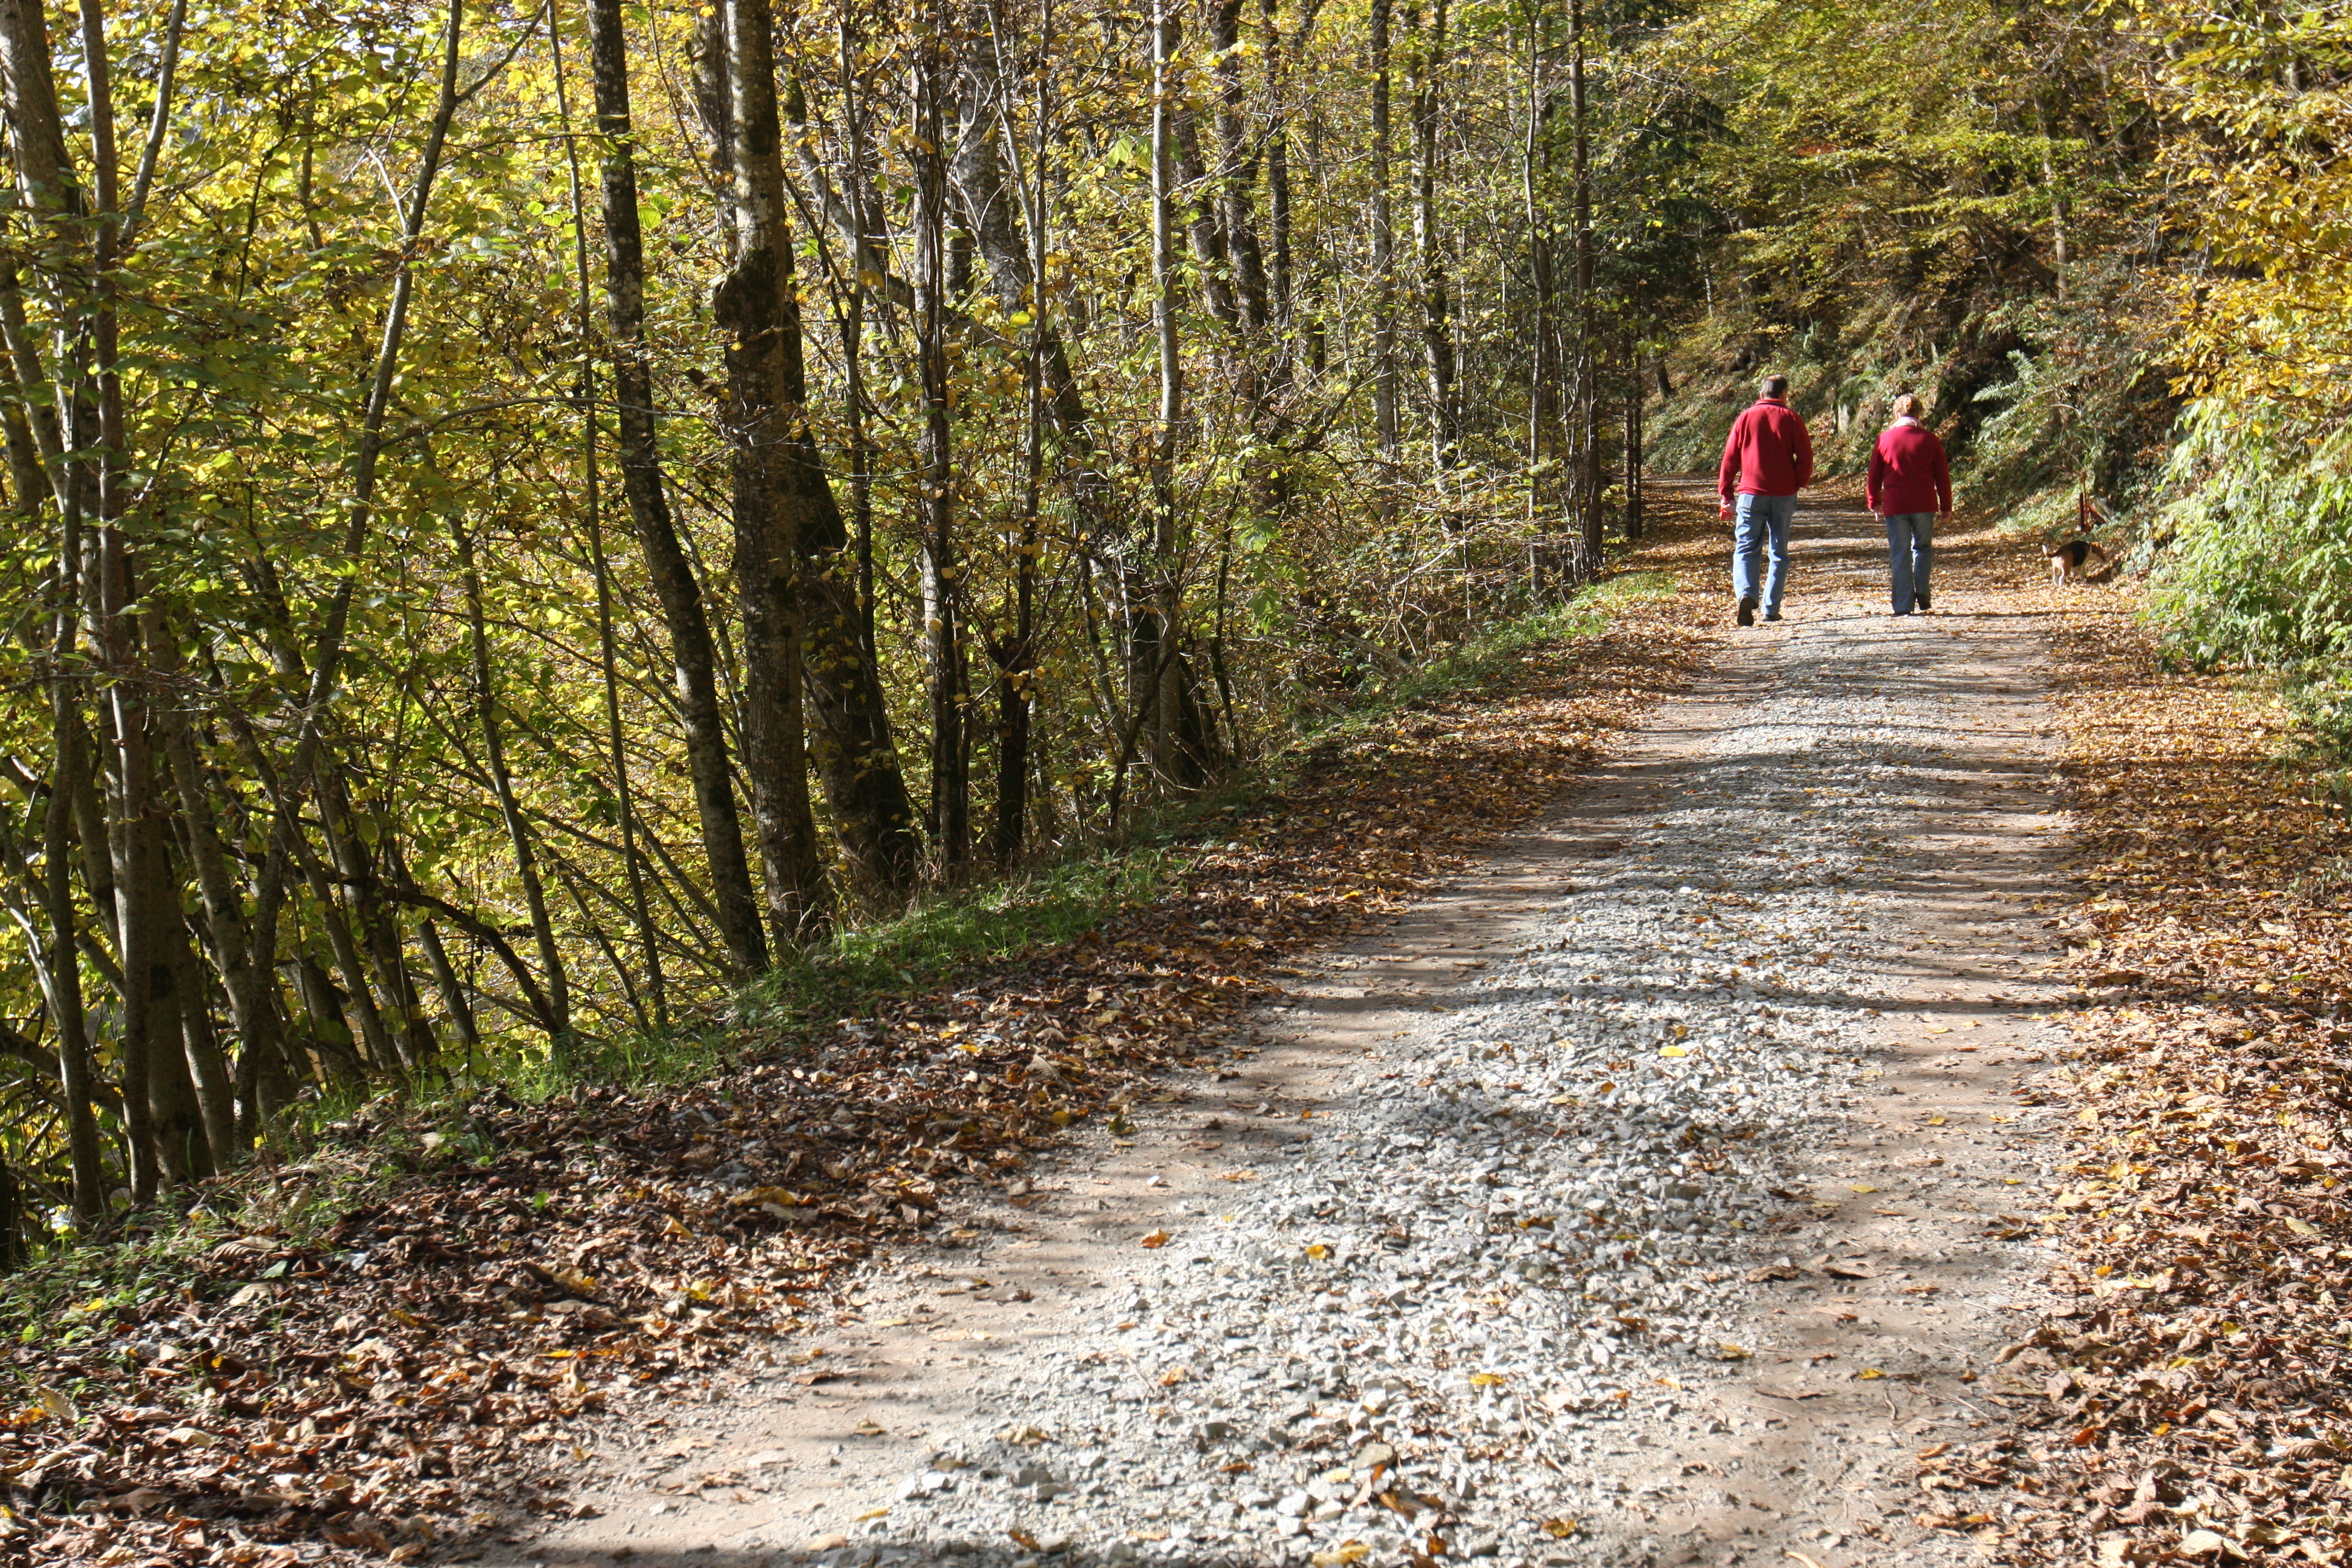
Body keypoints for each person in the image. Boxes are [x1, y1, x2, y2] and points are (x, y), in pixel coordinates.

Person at [1716, 373, 1815, 626]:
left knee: (1746, 548)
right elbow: (1805, 456)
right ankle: (1771, 608)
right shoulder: (1792, 418)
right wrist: (1797, 483)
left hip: (1750, 493)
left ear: (1761, 394)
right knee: (1779, 551)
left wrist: (1726, 493)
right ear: (1784, 394)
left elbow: (1730, 458)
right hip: (1783, 495)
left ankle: (1746, 595)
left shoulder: (1746, 417)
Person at [1865, 392, 1952, 615]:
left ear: (1896, 413)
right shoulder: (1929, 439)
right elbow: (1942, 476)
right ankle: (1922, 591)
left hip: (1896, 506)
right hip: (1924, 504)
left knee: (1900, 553)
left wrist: (1874, 501)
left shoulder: (1885, 439)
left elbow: (1874, 474)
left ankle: (1903, 604)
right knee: (1923, 548)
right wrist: (1946, 506)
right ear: (1920, 414)